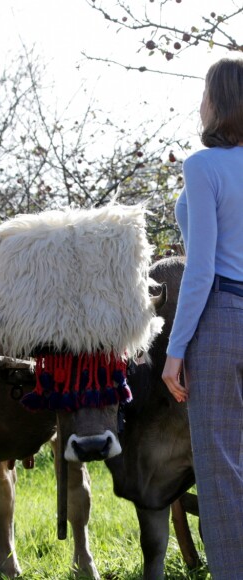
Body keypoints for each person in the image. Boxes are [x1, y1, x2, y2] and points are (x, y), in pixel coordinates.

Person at [162, 58, 243, 579]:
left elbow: (200, 270)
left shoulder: (203, 166)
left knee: (220, 466)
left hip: (221, 319)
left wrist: (174, 351)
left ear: (218, 102)